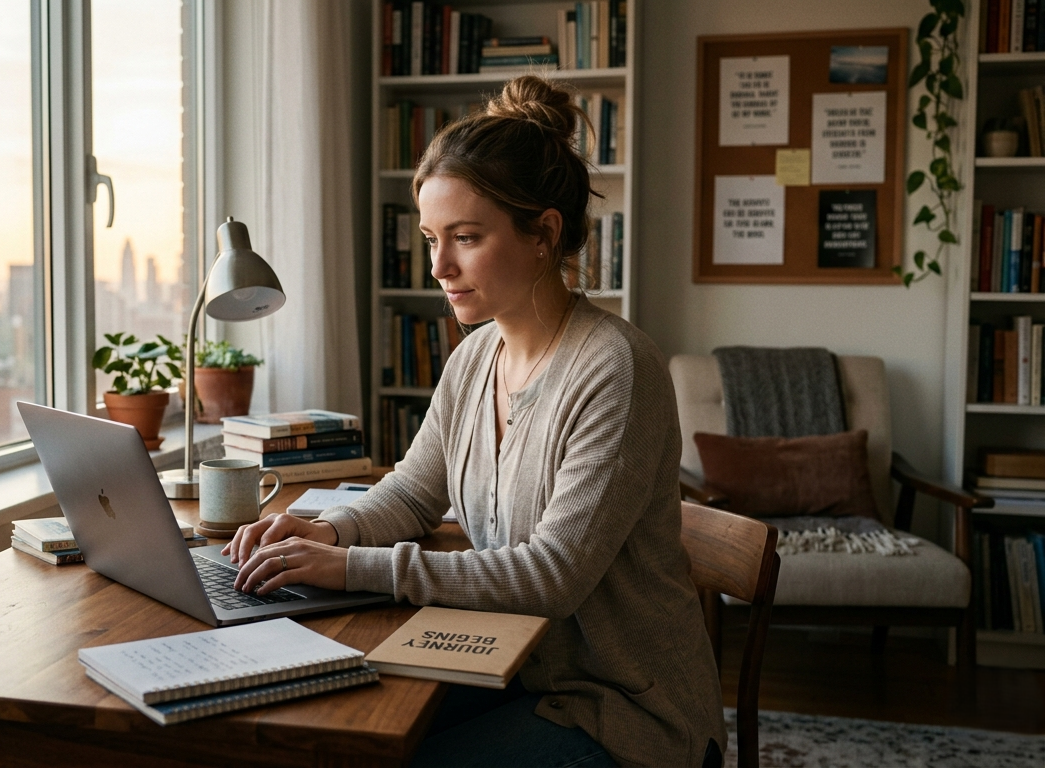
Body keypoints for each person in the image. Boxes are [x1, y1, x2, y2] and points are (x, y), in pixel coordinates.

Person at [223, 76, 725, 768]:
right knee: (324, 725)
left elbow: (552, 577)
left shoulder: (616, 369)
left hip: (622, 708)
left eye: (465, 237)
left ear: (544, 233)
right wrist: (325, 530)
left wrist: (350, 568)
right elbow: (414, 491)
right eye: (432, 238)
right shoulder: (476, 355)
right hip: (513, 665)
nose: (438, 265)